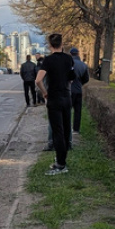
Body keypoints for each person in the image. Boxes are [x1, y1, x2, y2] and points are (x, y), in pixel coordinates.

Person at [37, 33, 76, 176]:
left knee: (57, 131)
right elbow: (71, 78)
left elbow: (38, 80)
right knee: (66, 130)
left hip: (54, 98)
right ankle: (62, 160)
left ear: (50, 45)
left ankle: (60, 164)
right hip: (66, 97)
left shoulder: (48, 60)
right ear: (61, 43)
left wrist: (45, 92)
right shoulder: (68, 59)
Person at [70, 47, 91, 134]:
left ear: (70, 54)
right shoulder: (83, 65)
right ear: (78, 54)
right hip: (78, 90)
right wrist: (80, 84)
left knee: (67, 110)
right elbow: (86, 79)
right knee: (78, 110)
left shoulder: (68, 64)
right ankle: (76, 129)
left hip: (69, 90)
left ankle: (66, 127)